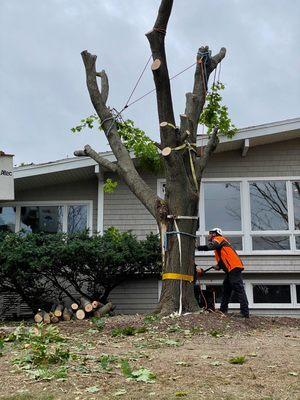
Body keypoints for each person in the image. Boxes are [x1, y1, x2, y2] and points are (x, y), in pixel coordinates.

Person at [197, 227, 249, 318]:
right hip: (230, 269)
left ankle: (245, 313)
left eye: (211, 233)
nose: (209, 235)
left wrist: (198, 247)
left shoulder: (219, 239)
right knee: (226, 289)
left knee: (239, 289)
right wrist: (218, 266)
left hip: (234, 268)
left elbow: (211, 246)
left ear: (215, 234)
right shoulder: (220, 248)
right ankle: (223, 310)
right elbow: (223, 260)